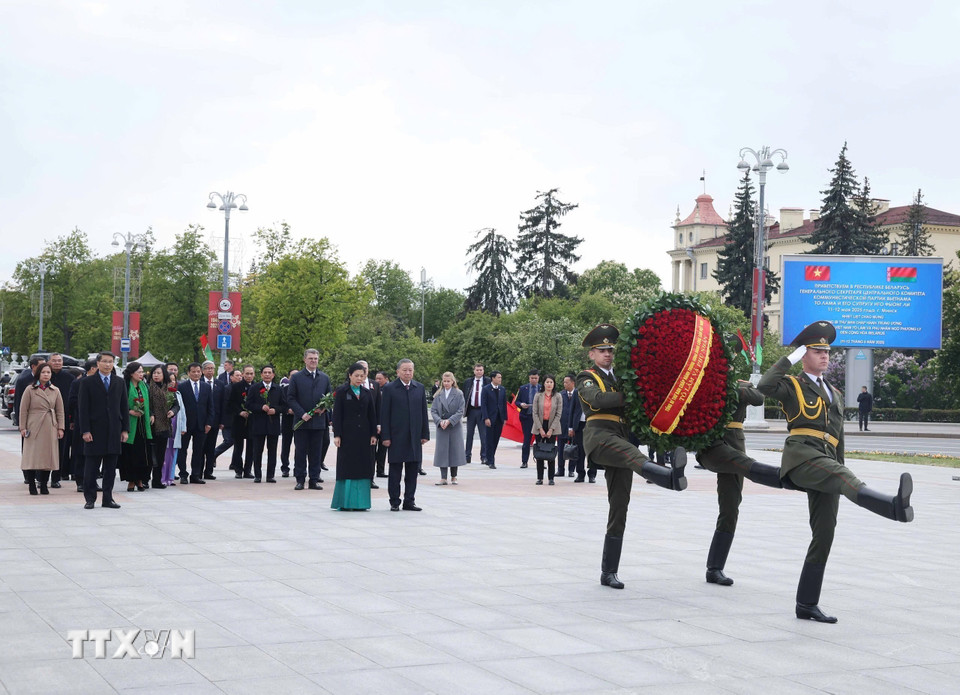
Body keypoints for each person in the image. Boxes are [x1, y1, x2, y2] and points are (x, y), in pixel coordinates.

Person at [758, 320, 914, 623]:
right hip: (802, 457)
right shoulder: (792, 385)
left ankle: (806, 604)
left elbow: (838, 437)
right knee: (843, 478)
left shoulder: (835, 393)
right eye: (817, 351)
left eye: (827, 352)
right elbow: (764, 386)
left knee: (825, 533)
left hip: (827, 461)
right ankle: (892, 507)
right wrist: (789, 358)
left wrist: (841, 466)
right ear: (804, 355)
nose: (824, 356)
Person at [576, 324, 688, 590]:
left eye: (610, 350)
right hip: (600, 437)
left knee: (619, 507)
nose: (607, 354)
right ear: (592, 354)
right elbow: (597, 400)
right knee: (631, 453)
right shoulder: (587, 377)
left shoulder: (622, 377)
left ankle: (609, 572)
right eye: (602, 350)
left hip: (620, 436)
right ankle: (668, 477)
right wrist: (630, 395)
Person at [695, 379, 785, 586]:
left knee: (730, 508)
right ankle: (779, 477)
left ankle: (715, 568)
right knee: (743, 463)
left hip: (735, 446)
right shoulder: (706, 382)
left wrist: (739, 386)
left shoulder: (738, 386)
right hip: (712, 446)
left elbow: (758, 398)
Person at [78, 352, 128, 509]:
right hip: (94, 431)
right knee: (91, 468)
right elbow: (83, 408)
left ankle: (108, 498)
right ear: (97, 363)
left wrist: (125, 429)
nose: (107, 364)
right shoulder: (87, 382)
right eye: (104, 361)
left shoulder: (119, 382)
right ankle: (90, 498)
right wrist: (85, 430)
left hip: (114, 430)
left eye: (110, 362)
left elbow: (124, 407)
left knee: (110, 469)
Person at [380, 358, 430, 511]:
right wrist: (385, 436)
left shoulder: (419, 388)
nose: (408, 373)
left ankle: (409, 501)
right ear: (398, 372)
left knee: (412, 471)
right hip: (396, 436)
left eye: (410, 370)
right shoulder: (389, 388)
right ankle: (395, 501)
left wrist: (424, 434)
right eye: (405, 370)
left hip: (414, 436)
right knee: (395, 471)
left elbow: (423, 412)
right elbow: (384, 414)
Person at [331, 362, 378, 510]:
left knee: (363, 466)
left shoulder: (367, 393)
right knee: (347, 466)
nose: (359, 379)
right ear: (350, 375)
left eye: (362, 376)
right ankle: (345, 502)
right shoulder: (342, 391)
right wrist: (337, 434)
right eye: (356, 375)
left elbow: (372, 414)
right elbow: (337, 414)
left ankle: (361, 503)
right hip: (347, 436)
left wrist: (373, 434)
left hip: (364, 435)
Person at [287, 348, 332, 490]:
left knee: (316, 452)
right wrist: (302, 413)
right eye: (311, 358)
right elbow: (291, 398)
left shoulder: (324, 377)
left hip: (318, 422)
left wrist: (324, 408)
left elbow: (329, 397)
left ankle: (314, 479)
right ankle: (300, 479)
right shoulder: (296, 377)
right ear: (305, 360)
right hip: (301, 422)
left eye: (316, 358)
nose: (313, 361)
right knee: (300, 451)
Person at [19, 362, 65, 495]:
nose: (46, 375)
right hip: (34, 425)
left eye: (48, 372)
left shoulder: (55, 390)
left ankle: (44, 484)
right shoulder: (30, 389)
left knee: (48, 457)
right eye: (43, 372)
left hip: (50, 425)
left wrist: (60, 428)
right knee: (32, 457)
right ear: (38, 374)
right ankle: (32, 484)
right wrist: (23, 427)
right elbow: (23, 410)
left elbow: (60, 411)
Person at [176, 362, 215, 485]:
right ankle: (183, 474)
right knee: (183, 450)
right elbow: (178, 406)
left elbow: (210, 406)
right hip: (186, 424)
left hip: (201, 424)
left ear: (201, 372)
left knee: (198, 451)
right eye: (193, 371)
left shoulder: (206, 387)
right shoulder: (182, 387)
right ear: (188, 373)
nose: (196, 373)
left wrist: (209, 423)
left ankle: (196, 475)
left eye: (198, 371)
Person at [247, 365, 285, 482]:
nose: (267, 375)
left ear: (273, 375)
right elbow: (248, 404)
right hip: (258, 424)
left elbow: (284, 406)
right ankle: (257, 475)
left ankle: (270, 475)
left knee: (272, 451)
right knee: (257, 451)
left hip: (273, 424)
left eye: (269, 372)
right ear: (261, 374)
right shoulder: (254, 388)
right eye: (265, 372)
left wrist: (275, 410)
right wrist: (260, 407)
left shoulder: (278, 389)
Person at [119, 361, 153, 492]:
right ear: (131, 373)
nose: (141, 374)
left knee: (142, 453)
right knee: (130, 453)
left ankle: (140, 479)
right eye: (139, 372)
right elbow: (119, 404)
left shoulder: (144, 386)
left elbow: (149, 403)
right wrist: (130, 411)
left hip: (143, 425)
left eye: (142, 371)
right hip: (130, 424)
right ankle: (131, 480)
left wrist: (151, 414)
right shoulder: (124, 385)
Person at [69, 359, 99, 493]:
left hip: (98, 423)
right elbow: (72, 401)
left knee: (96, 453)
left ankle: (93, 480)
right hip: (81, 421)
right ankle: (80, 481)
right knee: (81, 452)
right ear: (93, 368)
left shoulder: (101, 382)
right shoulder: (78, 382)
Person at [432, 371, 467, 485]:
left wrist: (450, 421)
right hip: (442, 426)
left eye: (448, 381)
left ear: (453, 381)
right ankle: (443, 477)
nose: (446, 383)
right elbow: (433, 410)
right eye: (444, 381)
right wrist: (439, 421)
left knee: (454, 451)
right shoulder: (438, 394)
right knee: (442, 451)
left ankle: (454, 476)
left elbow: (461, 410)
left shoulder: (459, 394)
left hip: (454, 426)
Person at [48, 353, 76, 488]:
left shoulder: (69, 378)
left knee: (61, 448)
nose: (57, 363)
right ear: (49, 362)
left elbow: (73, 400)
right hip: (45, 418)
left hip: (63, 417)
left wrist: (72, 419)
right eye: (54, 361)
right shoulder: (44, 377)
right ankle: (41, 476)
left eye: (59, 360)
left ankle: (56, 477)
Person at [146, 365, 176, 489]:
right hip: (151, 425)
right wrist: (151, 414)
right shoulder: (147, 387)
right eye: (154, 373)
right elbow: (146, 404)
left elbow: (176, 405)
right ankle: (145, 479)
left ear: (164, 375)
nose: (156, 375)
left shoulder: (169, 389)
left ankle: (157, 480)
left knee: (160, 455)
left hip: (164, 425)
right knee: (149, 454)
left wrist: (172, 411)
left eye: (159, 373)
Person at [531, 374, 563, 485]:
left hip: (552, 426)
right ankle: (540, 477)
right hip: (539, 425)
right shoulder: (538, 395)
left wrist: (551, 429)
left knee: (550, 452)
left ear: (554, 384)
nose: (549, 384)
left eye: (551, 382)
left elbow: (558, 414)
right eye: (547, 382)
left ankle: (551, 478)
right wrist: (540, 428)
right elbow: (534, 413)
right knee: (540, 452)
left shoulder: (558, 396)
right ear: (543, 383)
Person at [228, 365, 256, 478]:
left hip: (252, 421)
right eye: (247, 373)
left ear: (254, 374)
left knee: (251, 447)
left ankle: (248, 470)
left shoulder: (257, 387)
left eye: (251, 373)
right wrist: (240, 412)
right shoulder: (236, 387)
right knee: (238, 447)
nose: (249, 376)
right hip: (239, 420)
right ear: (243, 374)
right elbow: (231, 403)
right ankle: (238, 470)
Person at [462, 363, 490, 466]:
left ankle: (484, 456)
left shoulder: (487, 381)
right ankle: (467, 456)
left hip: (483, 411)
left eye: (481, 370)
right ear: (474, 371)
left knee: (484, 435)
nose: (479, 372)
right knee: (469, 434)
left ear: (483, 371)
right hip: (471, 410)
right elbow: (464, 395)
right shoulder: (468, 382)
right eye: (477, 370)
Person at [200, 360, 224, 480]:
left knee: (210, 448)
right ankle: (198, 471)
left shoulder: (220, 384)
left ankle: (208, 471)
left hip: (215, 420)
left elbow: (223, 403)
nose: (210, 370)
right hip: (201, 421)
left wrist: (222, 421)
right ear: (203, 370)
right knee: (200, 447)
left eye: (212, 368)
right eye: (208, 368)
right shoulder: (199, 383)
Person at [559, 373, 585, 481]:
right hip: (578, 424)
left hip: (591, 424)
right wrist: (571, 427)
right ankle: (580, 473)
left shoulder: (596, 393)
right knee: (578, 449)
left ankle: (592, 474)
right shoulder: (577, 393)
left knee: (591, 450)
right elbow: (572, 411)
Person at [481, 371, 508, 470]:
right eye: (498, 377)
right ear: (493, 378)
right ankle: (491, 461)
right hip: (490, 418)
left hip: (499, 418)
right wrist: (486, 417)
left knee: (496, 439)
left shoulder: (502, 389)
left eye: (501, 377)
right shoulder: (486, 389)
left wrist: (505, 418)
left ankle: (490, 457)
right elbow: (483, 404)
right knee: (489, 439)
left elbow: (504, 404)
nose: (500, 379)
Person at [515, 369, 541, 469]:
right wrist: (521, 404)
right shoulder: (523, 388)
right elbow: (517, 401)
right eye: (532, 378)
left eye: (535, 378)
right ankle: (524, 461)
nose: (534, 380)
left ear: (538, 378)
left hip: (539, 418)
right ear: (529, 378)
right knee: (527, 440)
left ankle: (540, 461)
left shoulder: (541, 388)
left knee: (539, 440)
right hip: (527, 417)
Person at [163, 371, 186, 486]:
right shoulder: (161, 393)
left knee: (173, 452)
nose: (172, 382)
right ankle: (162, 477)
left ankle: (170, 477)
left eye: (173, 380)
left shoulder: (177, 394)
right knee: (164, 453)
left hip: (176, 426)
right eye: (169, 379)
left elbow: (182, 411)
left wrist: (183, 427)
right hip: (164, 426)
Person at [279, 368, 298, 477]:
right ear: (289, 378)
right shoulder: (284, 390)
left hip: (299, 420)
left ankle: (297, 468)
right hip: (287, 420)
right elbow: (280, 404)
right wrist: (287, 410)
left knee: (299, 445)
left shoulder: (302, 389)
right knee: (286, 444)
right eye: (292, 376)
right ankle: (285, 467)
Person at [373, 370, 389, 478]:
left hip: (385, 423)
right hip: (375, 422)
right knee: (372, 449)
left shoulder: (389, 389)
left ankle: (380, 470)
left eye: (380, 379)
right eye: (376, 378)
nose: (378, 380)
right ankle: (371, 470)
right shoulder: (373, 389)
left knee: (383, 449)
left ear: (386, 379)